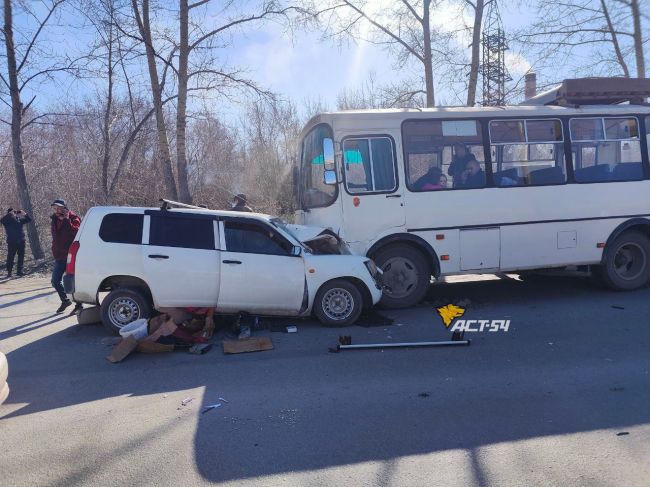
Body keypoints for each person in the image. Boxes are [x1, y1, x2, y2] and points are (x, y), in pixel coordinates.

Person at [50, 199, 82, 313]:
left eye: (59, 208)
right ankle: (65, 300)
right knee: (55, 281)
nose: (57, 210)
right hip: (59, 255)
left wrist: (67, 220)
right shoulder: (54, 219)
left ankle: (79, 305)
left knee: (72, 281)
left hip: (71, 256)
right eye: (55, 208)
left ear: (65, 208)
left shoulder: (74, 218)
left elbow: (76, 232)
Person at [1, 208, 31, 277]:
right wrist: (10, 214)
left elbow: (29, 220)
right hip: (12, 242)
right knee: (10, 257)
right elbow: (1, 220)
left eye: (15, 212)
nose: (15, 213)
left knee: (21, 257)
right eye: (13, 212)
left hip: (21, 241)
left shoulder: (19, 220)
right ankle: (9, 272)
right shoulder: (7, 222)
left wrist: (25, 214)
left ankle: (19, 271)